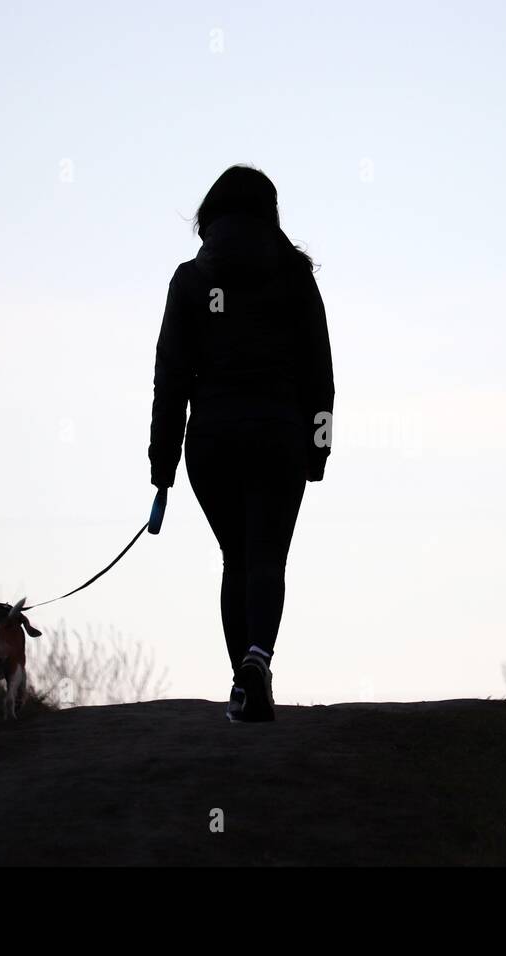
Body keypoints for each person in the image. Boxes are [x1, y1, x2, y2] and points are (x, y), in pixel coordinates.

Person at [148, 165, 334, 723]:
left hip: (213, 441)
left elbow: (171, 381)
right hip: (279, 436)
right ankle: (258, 663)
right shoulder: (295, 277)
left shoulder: (190, 280)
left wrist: (163, 469)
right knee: (266, 556)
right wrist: (318, 448)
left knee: (236, 555)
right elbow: (320, 373)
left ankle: (244, 683)